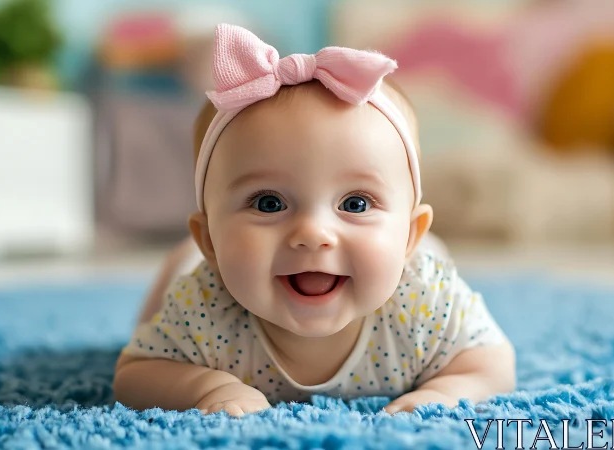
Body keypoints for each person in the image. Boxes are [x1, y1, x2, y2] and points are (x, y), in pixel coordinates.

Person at [113, 24, 515, 417]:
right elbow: (134, 373)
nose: (313, 233)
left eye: (355, 203)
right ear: (211, 242)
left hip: (406, 263)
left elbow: (490, 363)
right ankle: (187, 253)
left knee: (431, 257)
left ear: (410, 235)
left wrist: (446, 391)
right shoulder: (202, 308)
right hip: (200, 270)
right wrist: (209, 387)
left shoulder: (424, 303)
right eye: (269, 203)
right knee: (169, 285)